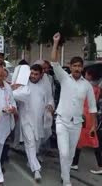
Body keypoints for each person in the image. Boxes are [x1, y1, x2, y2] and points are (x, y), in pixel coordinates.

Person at [51, 32, 97, 186]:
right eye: (74, 66)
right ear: (70, 67)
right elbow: (54, 63)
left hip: (76, 124)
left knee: (70, 155)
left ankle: (65, 175)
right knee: (63, 152)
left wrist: (93, 125)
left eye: (79, 66)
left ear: (82, 68)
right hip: (62, 122)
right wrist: (56, 42)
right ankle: (67, 180)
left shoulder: (87, 86)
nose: (77, 68)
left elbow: (92, 107)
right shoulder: (64, 78)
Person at [12, 64, 54, 182]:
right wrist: (13, 88)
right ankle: (36, 170)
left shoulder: (44, 87)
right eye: (31, 73)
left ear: (41, 75)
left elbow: (49, 99)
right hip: (26, 120)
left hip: (39, 122)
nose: (33, 76)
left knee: (35, 145)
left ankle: (31, 162)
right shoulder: (24, 86)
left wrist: (50, 105)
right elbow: (13, 95)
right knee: (30, 142)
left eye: (36, 74)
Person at [71, 68, 101, 173]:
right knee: (83, 140)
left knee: (87, 140)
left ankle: (100, 165)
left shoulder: (88, 87)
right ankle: (74, 163)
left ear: (90, 75)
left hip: (85, 117)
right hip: (91, 116)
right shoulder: (97, 88)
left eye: (86, 74)